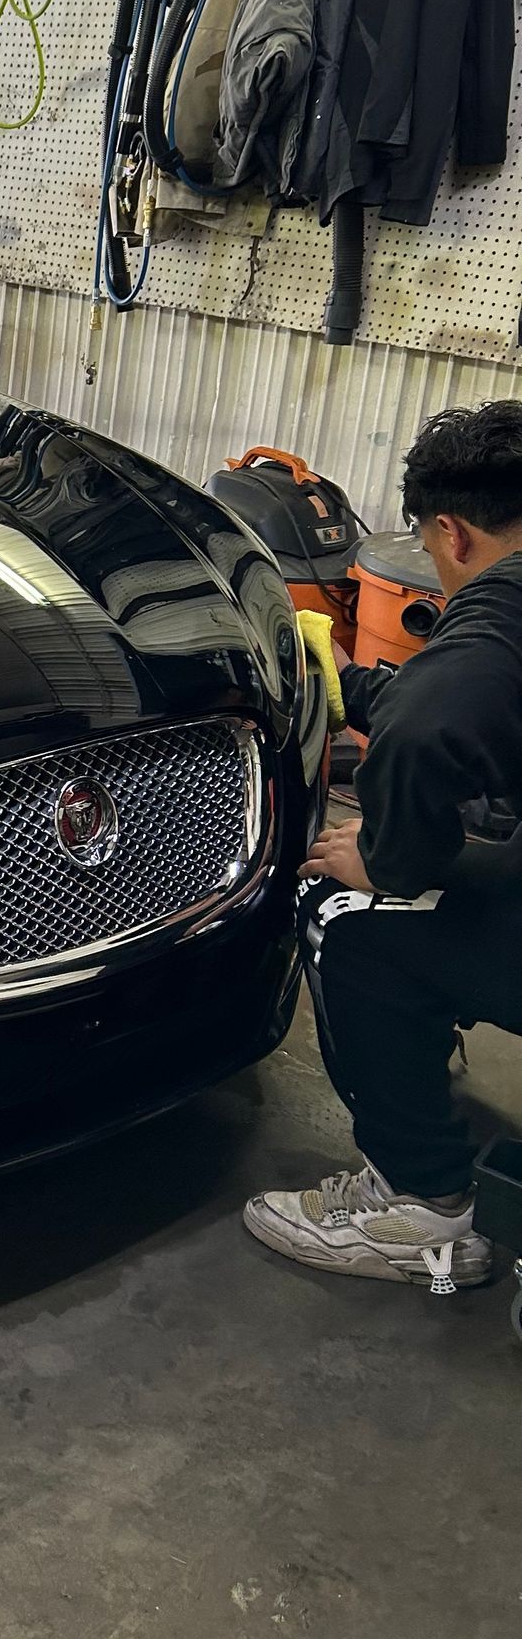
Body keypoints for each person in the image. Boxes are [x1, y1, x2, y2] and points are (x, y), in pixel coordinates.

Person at [244, 400, 522, 1294]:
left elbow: (438, 723)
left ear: (453, 532)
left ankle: (419, 1210)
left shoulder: (494, 624)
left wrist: (396, 858)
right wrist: (354, 688)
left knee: (344, 905)